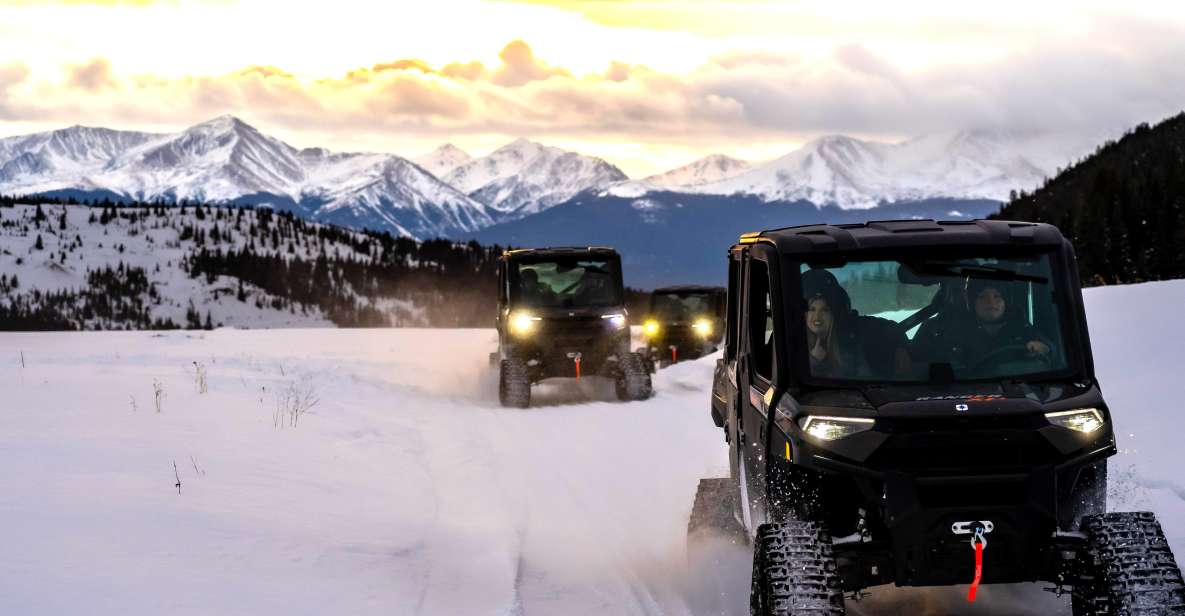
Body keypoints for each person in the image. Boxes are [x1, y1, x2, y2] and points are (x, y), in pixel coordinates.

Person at [801, 269, 867, 378]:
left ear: (833, 315)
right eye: (812, 309)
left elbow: (864, 378)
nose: (817, 316)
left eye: (825, 310)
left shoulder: (849, 345)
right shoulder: (791, 346)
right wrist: (815, 361)